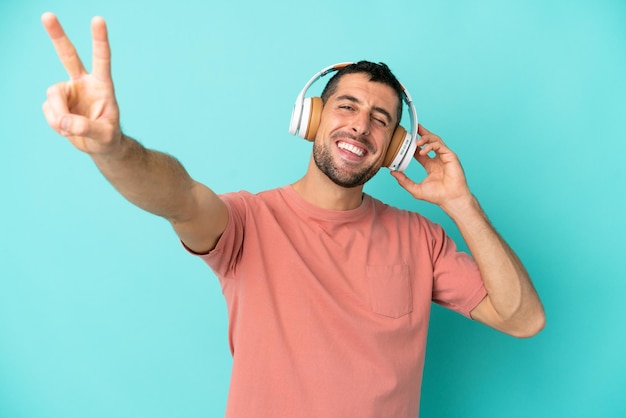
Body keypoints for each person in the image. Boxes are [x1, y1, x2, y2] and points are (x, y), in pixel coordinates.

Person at [41, 12, 545, 418]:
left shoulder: (421, 238)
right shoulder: (245, 223)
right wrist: (114, 150)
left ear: (395, 147)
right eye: (346, 106)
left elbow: (523, 319)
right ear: (313, 116)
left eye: (381, 120)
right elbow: (176, 196)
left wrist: (461, 203)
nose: (360, 127)